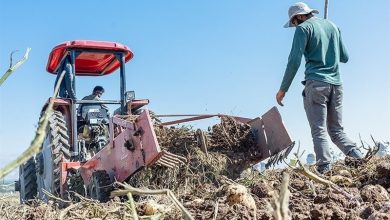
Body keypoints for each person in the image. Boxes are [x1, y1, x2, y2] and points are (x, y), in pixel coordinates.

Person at [276, 2, 363, 174]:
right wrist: (329, 43)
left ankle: (325, 168)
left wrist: (283, 89)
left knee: (319, 128)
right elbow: (344, 57)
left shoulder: (303, 29)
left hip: (316, 84)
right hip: (337, 85)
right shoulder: (333, 26)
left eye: (294, 23)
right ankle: (357, 156)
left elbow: (294, 61)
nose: (295, 27)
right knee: (336, 130)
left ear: (299, 17)